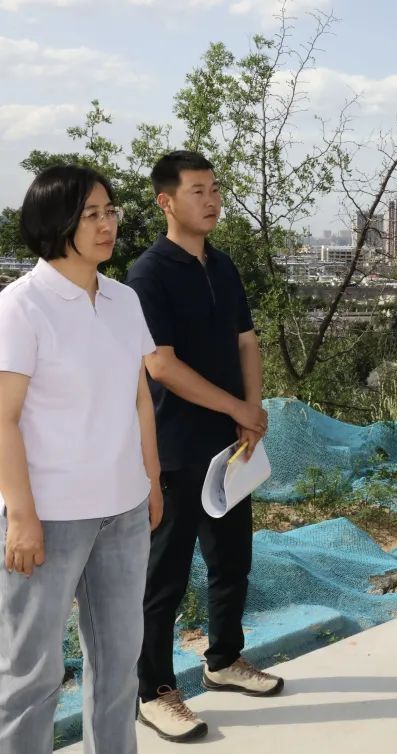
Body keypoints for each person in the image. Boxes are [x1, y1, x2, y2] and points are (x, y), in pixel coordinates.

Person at [0, 165, 162, 754]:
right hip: (50, 517)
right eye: (90, 213)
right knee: (31, 677)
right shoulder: (22, 305)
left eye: (110, 210)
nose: (106, 223)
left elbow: (139, 396)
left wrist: (150, 480)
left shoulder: (123, 299)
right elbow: (3, 417)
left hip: (123, 511)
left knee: (119, 669)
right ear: (56, 222)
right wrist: (22, 515)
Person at [127, 150, 280, 743]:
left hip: (230, 446)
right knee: (163, 577)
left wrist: (252, 411)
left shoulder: (222, 264)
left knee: (232, 559)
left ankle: (223, 660)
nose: (212, 200)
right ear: (166, 201)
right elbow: (161, 365)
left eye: (215, 189)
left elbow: (247, 340)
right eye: (198, 191)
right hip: (175, 448)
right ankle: (153, 691)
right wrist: (237, 408)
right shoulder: (149, 274)